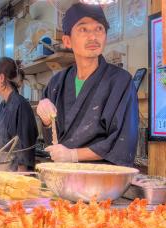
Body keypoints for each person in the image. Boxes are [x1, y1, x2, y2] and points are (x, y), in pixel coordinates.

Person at [36, 3, 139, 167]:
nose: (93, 37)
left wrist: (73, 155)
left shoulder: (121, 82)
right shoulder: (57, 83)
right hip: (63, 177)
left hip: (102, 181)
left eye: (99, 29)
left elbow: (122, 143)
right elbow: (53, 143)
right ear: (67, 40)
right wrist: (47, 121)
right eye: (83, 29)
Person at [0, 57, 38, 171]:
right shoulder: (3, 105)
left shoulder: (21, 105)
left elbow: (25, 148)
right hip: (4, 170)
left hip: (16, 174)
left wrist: (20, 178)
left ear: (1, 78)